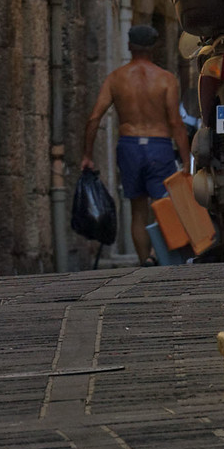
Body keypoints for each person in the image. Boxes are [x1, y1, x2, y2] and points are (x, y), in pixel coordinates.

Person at [80, 22, 191, 266]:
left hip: (129, 146)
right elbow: (175, 122)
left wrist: (87, 155)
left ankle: (145, 263)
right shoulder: (166, 79)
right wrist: (186, 161)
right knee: (164, 205)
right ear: (154, 47)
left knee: (137, 209)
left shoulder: (115, 79)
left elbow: (94, 118)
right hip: (159, 146)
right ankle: (155, 254)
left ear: (130, 46)